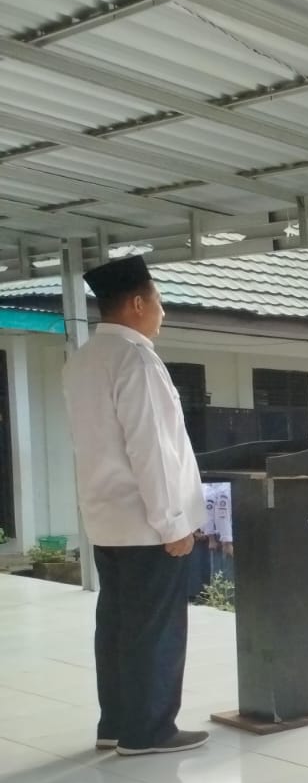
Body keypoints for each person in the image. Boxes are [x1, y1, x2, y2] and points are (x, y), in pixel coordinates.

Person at [63, 257, 209, 756]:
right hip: (148, 523)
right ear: (139, 302)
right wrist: (174, 524)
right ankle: (149, 731)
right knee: (155, 629)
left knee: (118, 625)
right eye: (160, 301)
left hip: (108, 520)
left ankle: (117, 722)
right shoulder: (137, 359)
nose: (163, 313)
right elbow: (152, 450)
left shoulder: (83, 359)